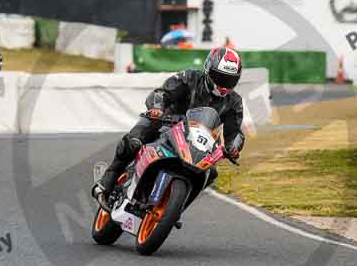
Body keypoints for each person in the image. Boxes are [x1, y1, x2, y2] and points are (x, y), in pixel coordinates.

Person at [93, 47, 245, 211]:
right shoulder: (190, 77)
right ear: (208, 69)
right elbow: (161, 93)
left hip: (197, 143)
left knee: (210, 173)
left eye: (229, 80)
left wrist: (233, 147)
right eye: (220, 77)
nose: (224, 84)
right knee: (134, 142)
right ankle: (106, 182)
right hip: (165, 123)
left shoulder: (234, 102)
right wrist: (157, 108)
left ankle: (174, 209)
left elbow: (235, 133)